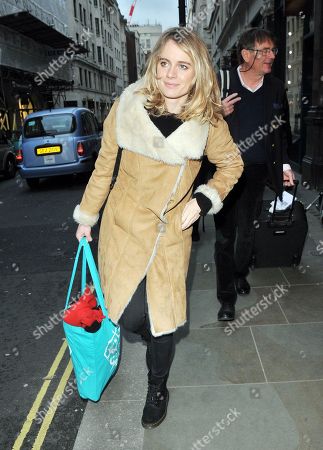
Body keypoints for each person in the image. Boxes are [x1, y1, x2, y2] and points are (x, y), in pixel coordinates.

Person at [73, 27, 243, 429]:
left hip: (170, 233)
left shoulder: (207, 121)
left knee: (162, 321)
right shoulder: (128, 104)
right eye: (164, 63)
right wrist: (86, 217)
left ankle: (157, 386)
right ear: (155, 64)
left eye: (182, 66)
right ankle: (149, 338)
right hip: (124, 225)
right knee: (131, 317)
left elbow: (232, 164)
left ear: (197, 72)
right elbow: (104, 167)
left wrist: (203, 200)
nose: (170, 74)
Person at [214, 28, 295, 321]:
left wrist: (285, 166)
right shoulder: (222, 82)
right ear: (246, 54)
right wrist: (215, 112)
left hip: (258, 172)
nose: (272, 56)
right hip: (224, 173)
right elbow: (194, 121)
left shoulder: (275, 87)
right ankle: (226, 298)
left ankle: (239, 272)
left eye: (273, 50)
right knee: (225, 237)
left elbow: (281, 131)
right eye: (265, 51)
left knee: (247, 232)